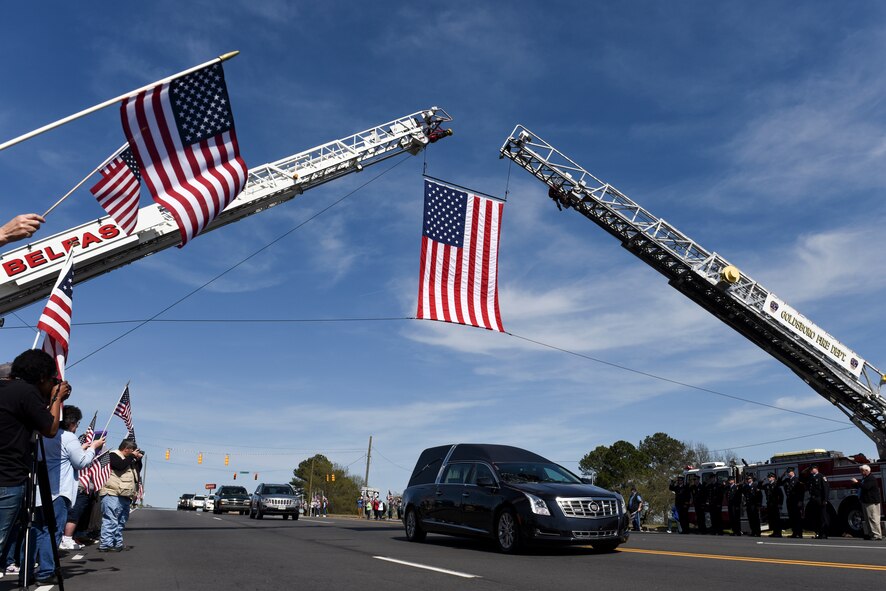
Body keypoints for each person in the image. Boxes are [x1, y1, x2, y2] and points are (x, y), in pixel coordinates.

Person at [0, 350, 68, 582]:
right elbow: (50, 429)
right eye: (51, 380)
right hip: (8, 478)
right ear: (41, 377)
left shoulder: (7, 390)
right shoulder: (26, 392)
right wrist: (56, 399)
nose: (53, 384)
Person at [58, 407, 105, 550]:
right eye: (77, 423)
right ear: (71, 422)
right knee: (64, 519)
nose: (77, 426)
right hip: (63, 489)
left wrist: (82, 448)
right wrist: (92, 448)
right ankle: (64, 541)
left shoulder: (49, 436)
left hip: (54, 487)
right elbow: (80, 463)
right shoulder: (68, 437)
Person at [97, 439, 143, 552]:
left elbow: (137, 472)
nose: (134, 452)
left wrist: (138, 460)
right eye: (132, 450)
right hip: (112, 493)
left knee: (120, 522)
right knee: (111, 520)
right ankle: (106, 545)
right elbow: (119, 466)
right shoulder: (113, 455)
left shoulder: (129, 459)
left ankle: (117, 544)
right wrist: (132, 456)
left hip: (125, 495)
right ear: (126, 449)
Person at [852, 464, 882, 541]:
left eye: (862, 471)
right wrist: (855, 484)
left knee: (873, 518)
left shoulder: (871, 478)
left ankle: (877, 535)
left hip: (871, 502)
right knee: (867, 519)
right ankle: (870, 534)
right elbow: (861, 487)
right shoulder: (865, 478)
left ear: (867, 470)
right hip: (866, 501)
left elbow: (866, 487)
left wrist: (857, 482)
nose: (861, 472)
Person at [806, 464, 829, 539]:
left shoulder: (821, 476)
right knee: (816, 517)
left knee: (823, 517)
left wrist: (825, 499)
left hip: (820, 499)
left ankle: (824, 533)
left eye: (811, 469)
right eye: (810, 469)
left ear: (816, 469)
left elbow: (826, 489)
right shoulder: (811, 477)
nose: (810, 471)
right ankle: (818, 533)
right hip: (813, 499)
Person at [781, 467, 804, 538]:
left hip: (796, 501)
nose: (788, 474)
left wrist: (800, 501)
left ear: (793, 472)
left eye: (789, 472)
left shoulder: (797, 480)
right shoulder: (787, 480)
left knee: (797, 518)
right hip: (789, 501)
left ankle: (799, 533)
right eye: (787, 473)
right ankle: (794, 532)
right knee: (792, 517)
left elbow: (801, 491)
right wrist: (782, 476)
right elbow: (778, 483)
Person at [761, 472, 783, 537]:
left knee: (776, 519)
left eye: (770, 477)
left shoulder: (776, 485)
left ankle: (778, 533)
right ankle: (774, 532)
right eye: (768, 477)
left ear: (773, 478)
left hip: (775, 504)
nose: (769, 478)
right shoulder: (767, 485)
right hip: (769, 504)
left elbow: (781, 495)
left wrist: (780, 504)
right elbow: (759, 487)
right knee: (772, 519)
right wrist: (762, 480)